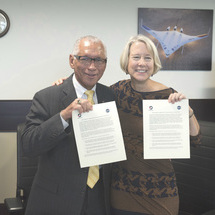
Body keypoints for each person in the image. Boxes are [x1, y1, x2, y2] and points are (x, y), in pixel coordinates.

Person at [53, 34, 201, 215]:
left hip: (159, 191)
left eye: (148, 58)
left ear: (154, 63)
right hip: (120, 190)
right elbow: (86, 97)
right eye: (136, 57)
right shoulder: (114, 92)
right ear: (127, 61)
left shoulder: (168, 96)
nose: (141, 63)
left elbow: (195, 140)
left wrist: (188, 112)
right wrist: (64, 85)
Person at [21, 35, 115, 215]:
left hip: (100, 198)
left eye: (99, 60)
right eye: (85, 58)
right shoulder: (47, 97)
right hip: (57, 200)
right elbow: (29, 145)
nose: (92, 66)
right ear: (72, 61)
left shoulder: (109, 96)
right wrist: (64, 116)